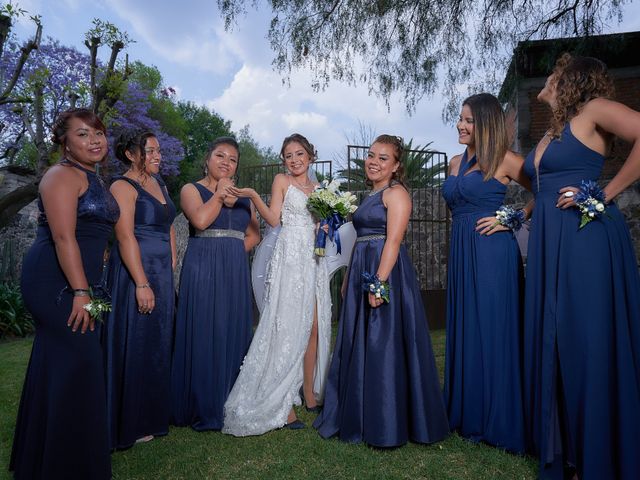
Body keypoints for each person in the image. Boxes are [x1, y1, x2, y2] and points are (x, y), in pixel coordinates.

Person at [523, 54, 640, 479]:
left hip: (585, 238)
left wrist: (604, 194)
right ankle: (568, 451)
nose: (548, 78)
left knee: (586, 342)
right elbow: (542, 186)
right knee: (556, 340)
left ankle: (599, 452)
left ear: (571, 81)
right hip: (551, 245)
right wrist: (518, 217)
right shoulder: (552, 131)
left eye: (555, 73)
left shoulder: (593, 110)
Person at [314, 134, 449, 447]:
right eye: (371, 155)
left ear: (396, 166)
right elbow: (361, 241)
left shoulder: (396, 193)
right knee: (361, 340)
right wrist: (349, 278)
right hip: (363, 266)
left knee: (381, 342)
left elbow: (393, 240)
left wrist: (379, 283)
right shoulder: (370, 194)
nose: (374, 162)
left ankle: (384, 420)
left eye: (383, 158)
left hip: (382, 271)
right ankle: (360, 411)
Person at [10, 108, 119, 479]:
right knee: (80, 363)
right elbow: (62, 236)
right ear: (65, 142)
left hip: (87, 281)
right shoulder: (60, 175)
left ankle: (46, 461)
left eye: (98, 133)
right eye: (83, 134)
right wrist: (79, 290)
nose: (94, 140)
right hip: (59, 282)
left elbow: (97, 234)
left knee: (69, 365)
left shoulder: (97, 180)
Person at [222, 133, 332, 435]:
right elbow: (273, 220)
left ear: (310, 155)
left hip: (313, 259)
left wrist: (325, 224)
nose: (294, 160)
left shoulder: (320, 188)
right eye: (288, 155)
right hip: (290, 259)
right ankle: (284, 404)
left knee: (312, 327)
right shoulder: (282, 182)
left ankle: (309, 394)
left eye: (299, 154)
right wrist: (253, 195)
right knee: (285, 326)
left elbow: (324, 223)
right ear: (284, 160)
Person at [442, 93, 531, 453]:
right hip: (462, 252)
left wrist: (510, 218)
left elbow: (544, 190)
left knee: (493, 328)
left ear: (486, 123)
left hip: (493, 252)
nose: (461, 126)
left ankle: (498, 416)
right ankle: (468, 412)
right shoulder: (453, 162)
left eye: (469, 121)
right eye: (460, 119)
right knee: (467, 327)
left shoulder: (507, 160)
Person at [171, 136, 260, 431]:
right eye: (220, 156)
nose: (226, 162)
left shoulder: (244, 197)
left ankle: (232, 398)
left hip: (233, 269)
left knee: (231, 326)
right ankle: (201, 402)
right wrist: (220, 195)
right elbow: (200, 221)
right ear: (207, 159)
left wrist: (232, 253)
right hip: (202, 266)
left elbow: (254, 236)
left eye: (232, 159)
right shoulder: (190, 189)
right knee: (205, 327)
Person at [102, 130, 177, 449]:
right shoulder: (122, 186)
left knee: (157, 344)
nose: (158, 155)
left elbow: (169, 225)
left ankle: (151, 416)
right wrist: (142, 282)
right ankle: (127, 421)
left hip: (161, 271)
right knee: (135, 341)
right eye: (151, 151)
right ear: (132, 154)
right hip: (135, 272)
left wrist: (171, 264)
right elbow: (125, 237)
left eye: (160, 150)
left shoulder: (159, 183)